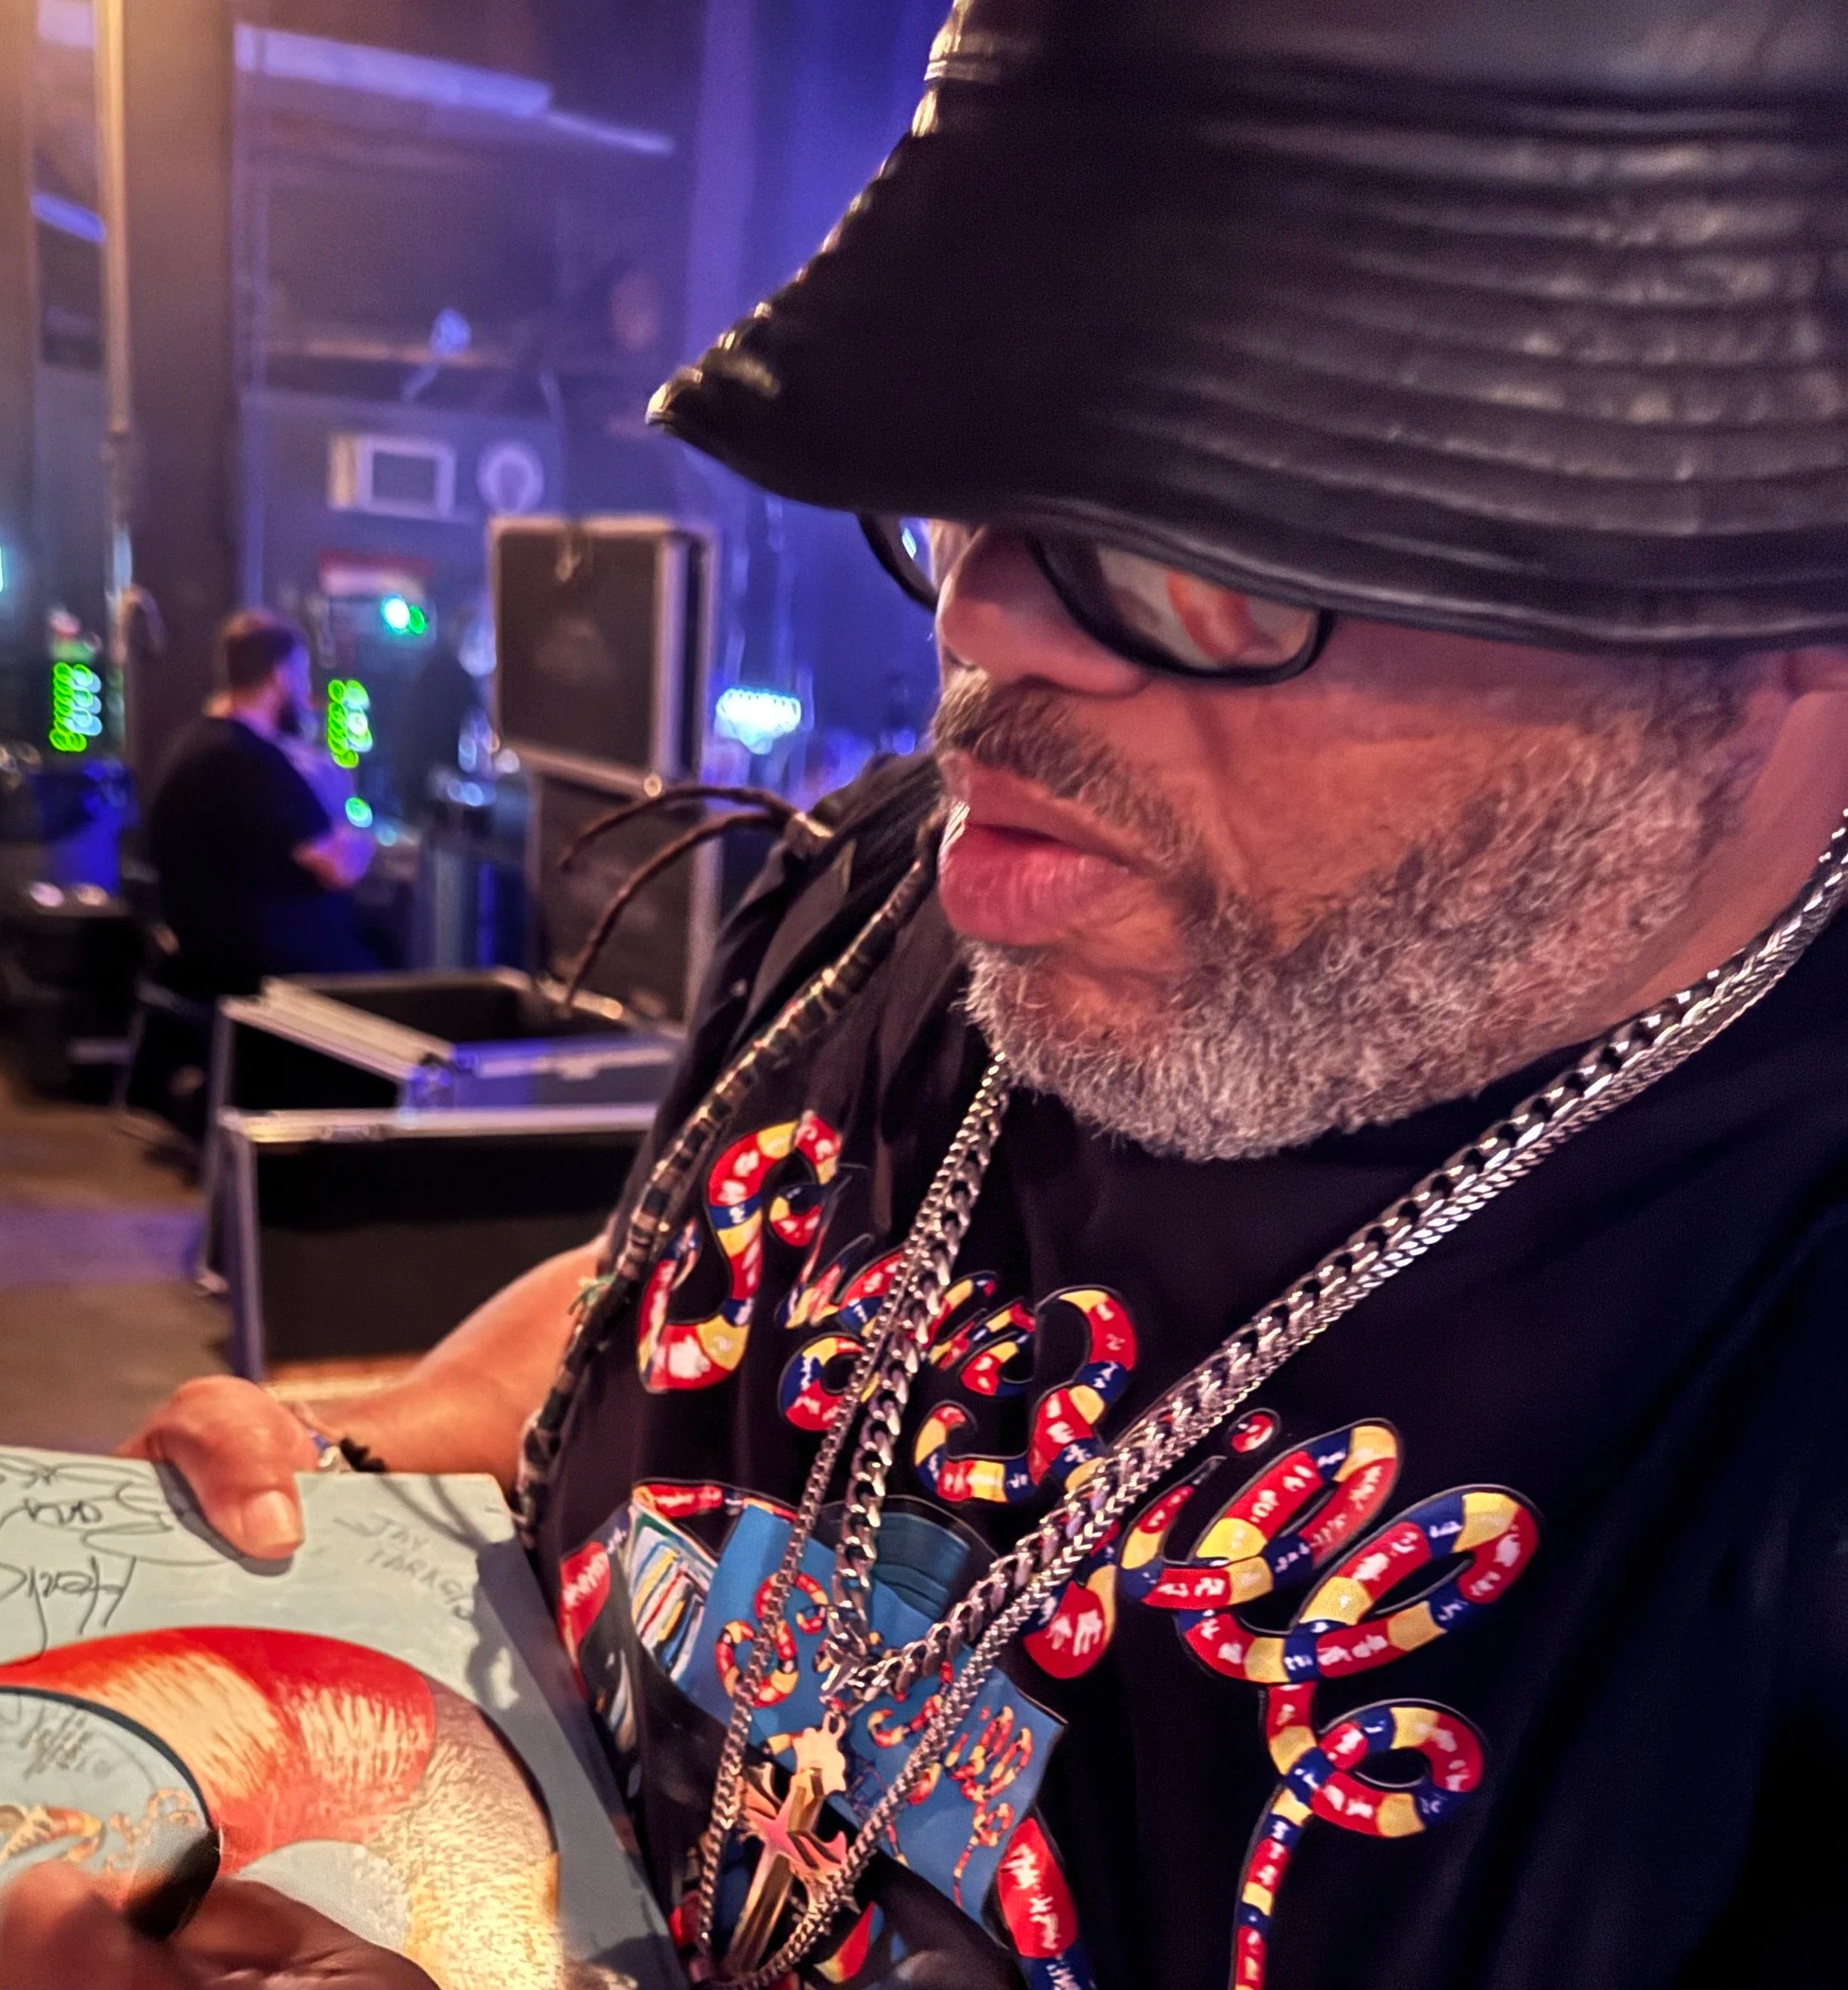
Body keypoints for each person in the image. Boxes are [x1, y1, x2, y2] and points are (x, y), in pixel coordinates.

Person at [14, 0, 1848, 1983]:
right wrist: (372, 1458)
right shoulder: (936, 877)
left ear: (1772, 628)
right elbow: (715, 1305)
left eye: (1197, 541)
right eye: (965, 477)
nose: (976, 618)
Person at [145, 609, 377, 998]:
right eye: (302, 677)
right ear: (280, 675)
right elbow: (339, 868)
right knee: (393, 973)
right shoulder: (244, 760)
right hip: (260, 969)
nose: (306, 694)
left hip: (209, 955)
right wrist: (360, 833)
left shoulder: (195, 743)